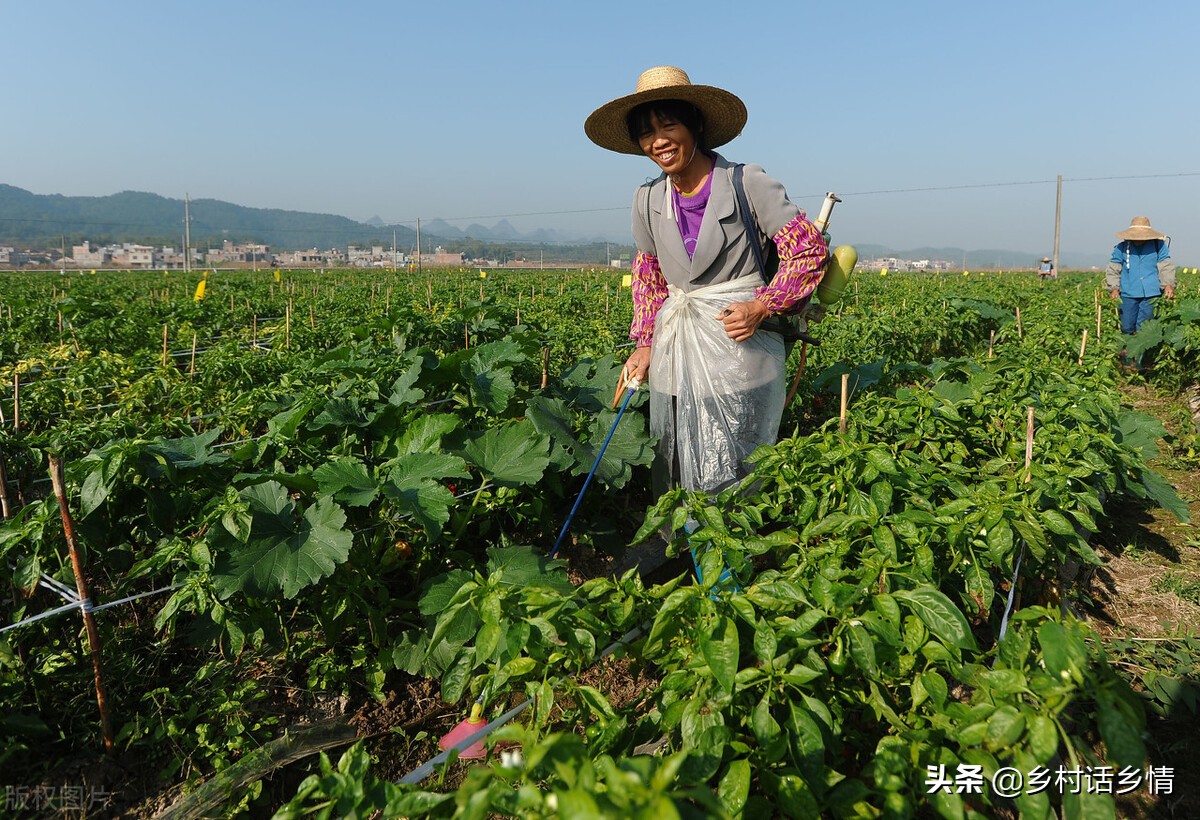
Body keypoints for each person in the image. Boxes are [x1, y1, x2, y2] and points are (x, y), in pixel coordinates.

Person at [584, 66, 828, 494]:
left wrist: (762, 306)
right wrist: (644, 343)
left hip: (741, 352)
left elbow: (807, 250)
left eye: (668, 124)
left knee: (735, 473)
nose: (658, 140)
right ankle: (689, 551)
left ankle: (732, 554)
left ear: (695, 125)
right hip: (677, 354)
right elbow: (649, 276)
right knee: (680, 465)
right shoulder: (647, 199)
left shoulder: (744, 181)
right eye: (646, 132)